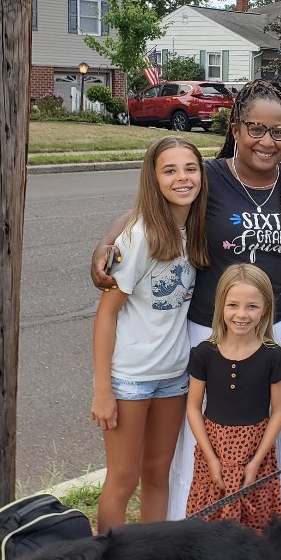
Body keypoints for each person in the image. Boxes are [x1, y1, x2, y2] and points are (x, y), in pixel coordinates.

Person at [90, 80, 281, 560]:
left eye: (278, 131)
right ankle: (186, 551)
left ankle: (279, 547)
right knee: (202, 446)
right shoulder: (207, 175)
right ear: (235, 129)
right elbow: (150, 206)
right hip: (210, 333)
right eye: (255, 129)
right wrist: (105, 244)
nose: (266, 140)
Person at [90, 136, 209, 534]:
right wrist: (103, 390)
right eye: (169, 170)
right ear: (153, 179)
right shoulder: (140, 237)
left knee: (158, 472)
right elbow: (106, 314)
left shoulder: (192, 229)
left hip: (174, 375)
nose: (182, 178)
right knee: (123, 479)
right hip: (131, 379)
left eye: (190, 168)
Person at [185, 263, 281, 533]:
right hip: (214, 452)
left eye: (251, 306)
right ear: (221, 305)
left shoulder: (274, 356)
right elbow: (194, 408)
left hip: (255, 454)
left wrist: (255, 462)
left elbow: (279, 411)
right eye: (233, 305)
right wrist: (212, 459)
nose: (241, 314)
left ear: (265, 308)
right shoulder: (204, 354)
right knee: (209, 529)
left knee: (255, 527)